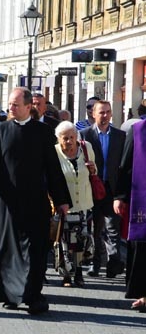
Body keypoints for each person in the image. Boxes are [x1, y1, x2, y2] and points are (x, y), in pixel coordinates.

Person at [0, 87, 72, 315]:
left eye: (15, 104)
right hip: (5, 202)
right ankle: (8, 295)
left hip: (35, 201)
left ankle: (32, 295)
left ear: (29, 107)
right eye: (9, 104)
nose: (10, 108)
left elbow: (53, 168)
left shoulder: (43, 132)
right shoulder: (0, 131)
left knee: (35, 250)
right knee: (5, 250)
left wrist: (61, 199)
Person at [80, 100, 126, 278]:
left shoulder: (120, 136)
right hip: (91, 187)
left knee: (112, 227)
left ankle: (113, 263)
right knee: (95, 229)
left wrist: (122, 193)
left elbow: (124, 165)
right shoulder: (84, 135)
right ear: (93, 114)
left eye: (108, 112)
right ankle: (95, 263)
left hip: (112, 188)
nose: (105, 115)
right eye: (101, 112)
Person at [53, 121, 96, 287]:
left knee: (81, 241)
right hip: (64, 204)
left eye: (72, 137)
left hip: (84, 203)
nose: (70, 141)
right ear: (58, 139)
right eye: (65, 138)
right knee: (64, 242)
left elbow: (94, 170)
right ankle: (66, 275)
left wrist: (92, 169)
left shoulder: (86, 148)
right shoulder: (54, 152)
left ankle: (79, 272)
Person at [114, 119, 146, 311]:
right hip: (143, 199)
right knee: (143, 250)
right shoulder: (137, 131)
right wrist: (120, 196)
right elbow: (125, 167)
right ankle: (144, 295)